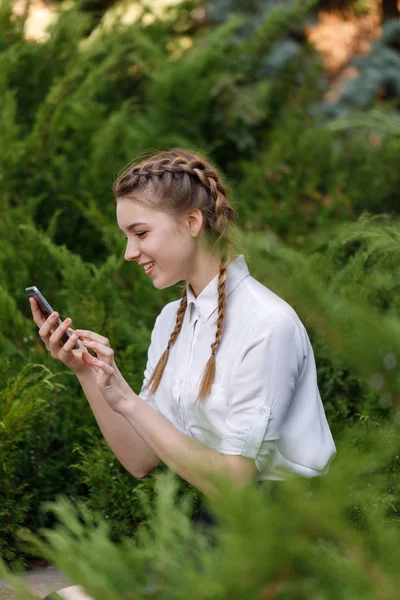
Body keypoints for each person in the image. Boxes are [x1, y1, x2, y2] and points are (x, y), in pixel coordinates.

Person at [31, 148, 336, 600]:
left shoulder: (267, 323)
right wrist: (90, 377)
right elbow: (140, 459)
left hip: (282, 537)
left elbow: (235, 481)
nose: (129, 253)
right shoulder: (173, 320)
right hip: (216, 529)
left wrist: (132, 401)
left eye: (140, 233)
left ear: (192, 222)